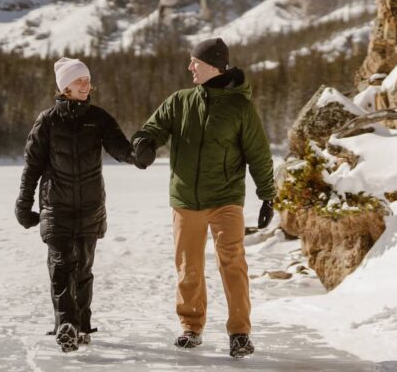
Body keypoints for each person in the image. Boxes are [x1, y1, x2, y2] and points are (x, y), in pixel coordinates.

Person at [132, 37, 276, 359]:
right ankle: (191, 326)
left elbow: (259, 154)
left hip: (225, 199)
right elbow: (153, 128)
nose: (190, 67)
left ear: (213, 65)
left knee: (232, 263)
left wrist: (267, 195)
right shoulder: (180, 101)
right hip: (185, 200)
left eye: (194, 62)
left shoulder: (241, 108)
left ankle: (240, 333)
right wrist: (143, 143)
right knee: (188, 267)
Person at [15, 57, 137, 352]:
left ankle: (81, 325)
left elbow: (121, 148)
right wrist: (24, 203)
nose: (87, 85)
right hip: (56, 207)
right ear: (65, 86)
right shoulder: (47, 121)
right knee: (60, 265)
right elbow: (32, 166)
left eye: (88, 80)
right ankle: (66, 323)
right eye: (80, 80)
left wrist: (138, 156)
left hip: (90, 207)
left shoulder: (99, 118)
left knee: (82, 269)